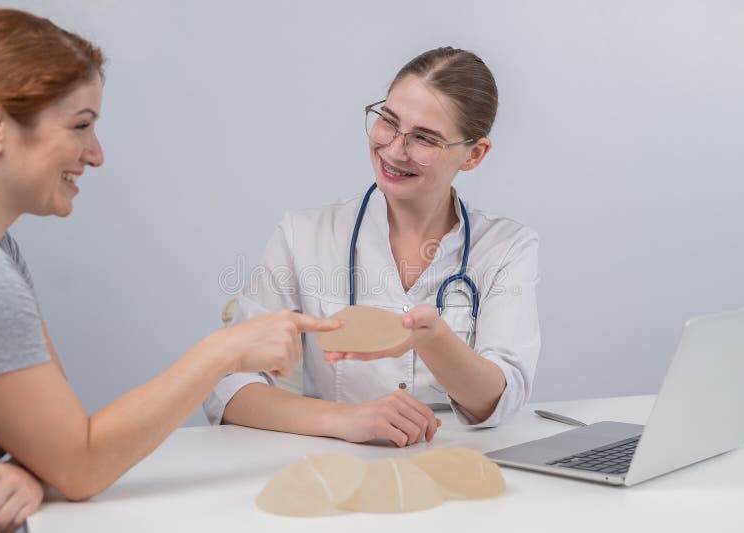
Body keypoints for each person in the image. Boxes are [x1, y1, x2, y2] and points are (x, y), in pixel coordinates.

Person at [0, 8, 340, 530]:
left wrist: (30, 467)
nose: (96, 155)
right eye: (80, 126)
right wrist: (226, 351)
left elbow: (58, 439)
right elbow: (81, 462)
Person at [204, 47, 541, 448]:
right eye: (388, 122)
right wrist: (347, 420)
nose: (395, 150)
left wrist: (433, 339)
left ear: (474, 154)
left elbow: (500, 398)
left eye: (424, 138)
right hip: (337, 474)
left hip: (455, 471)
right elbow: (228, 385)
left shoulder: (505, 248)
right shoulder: (304, 235)